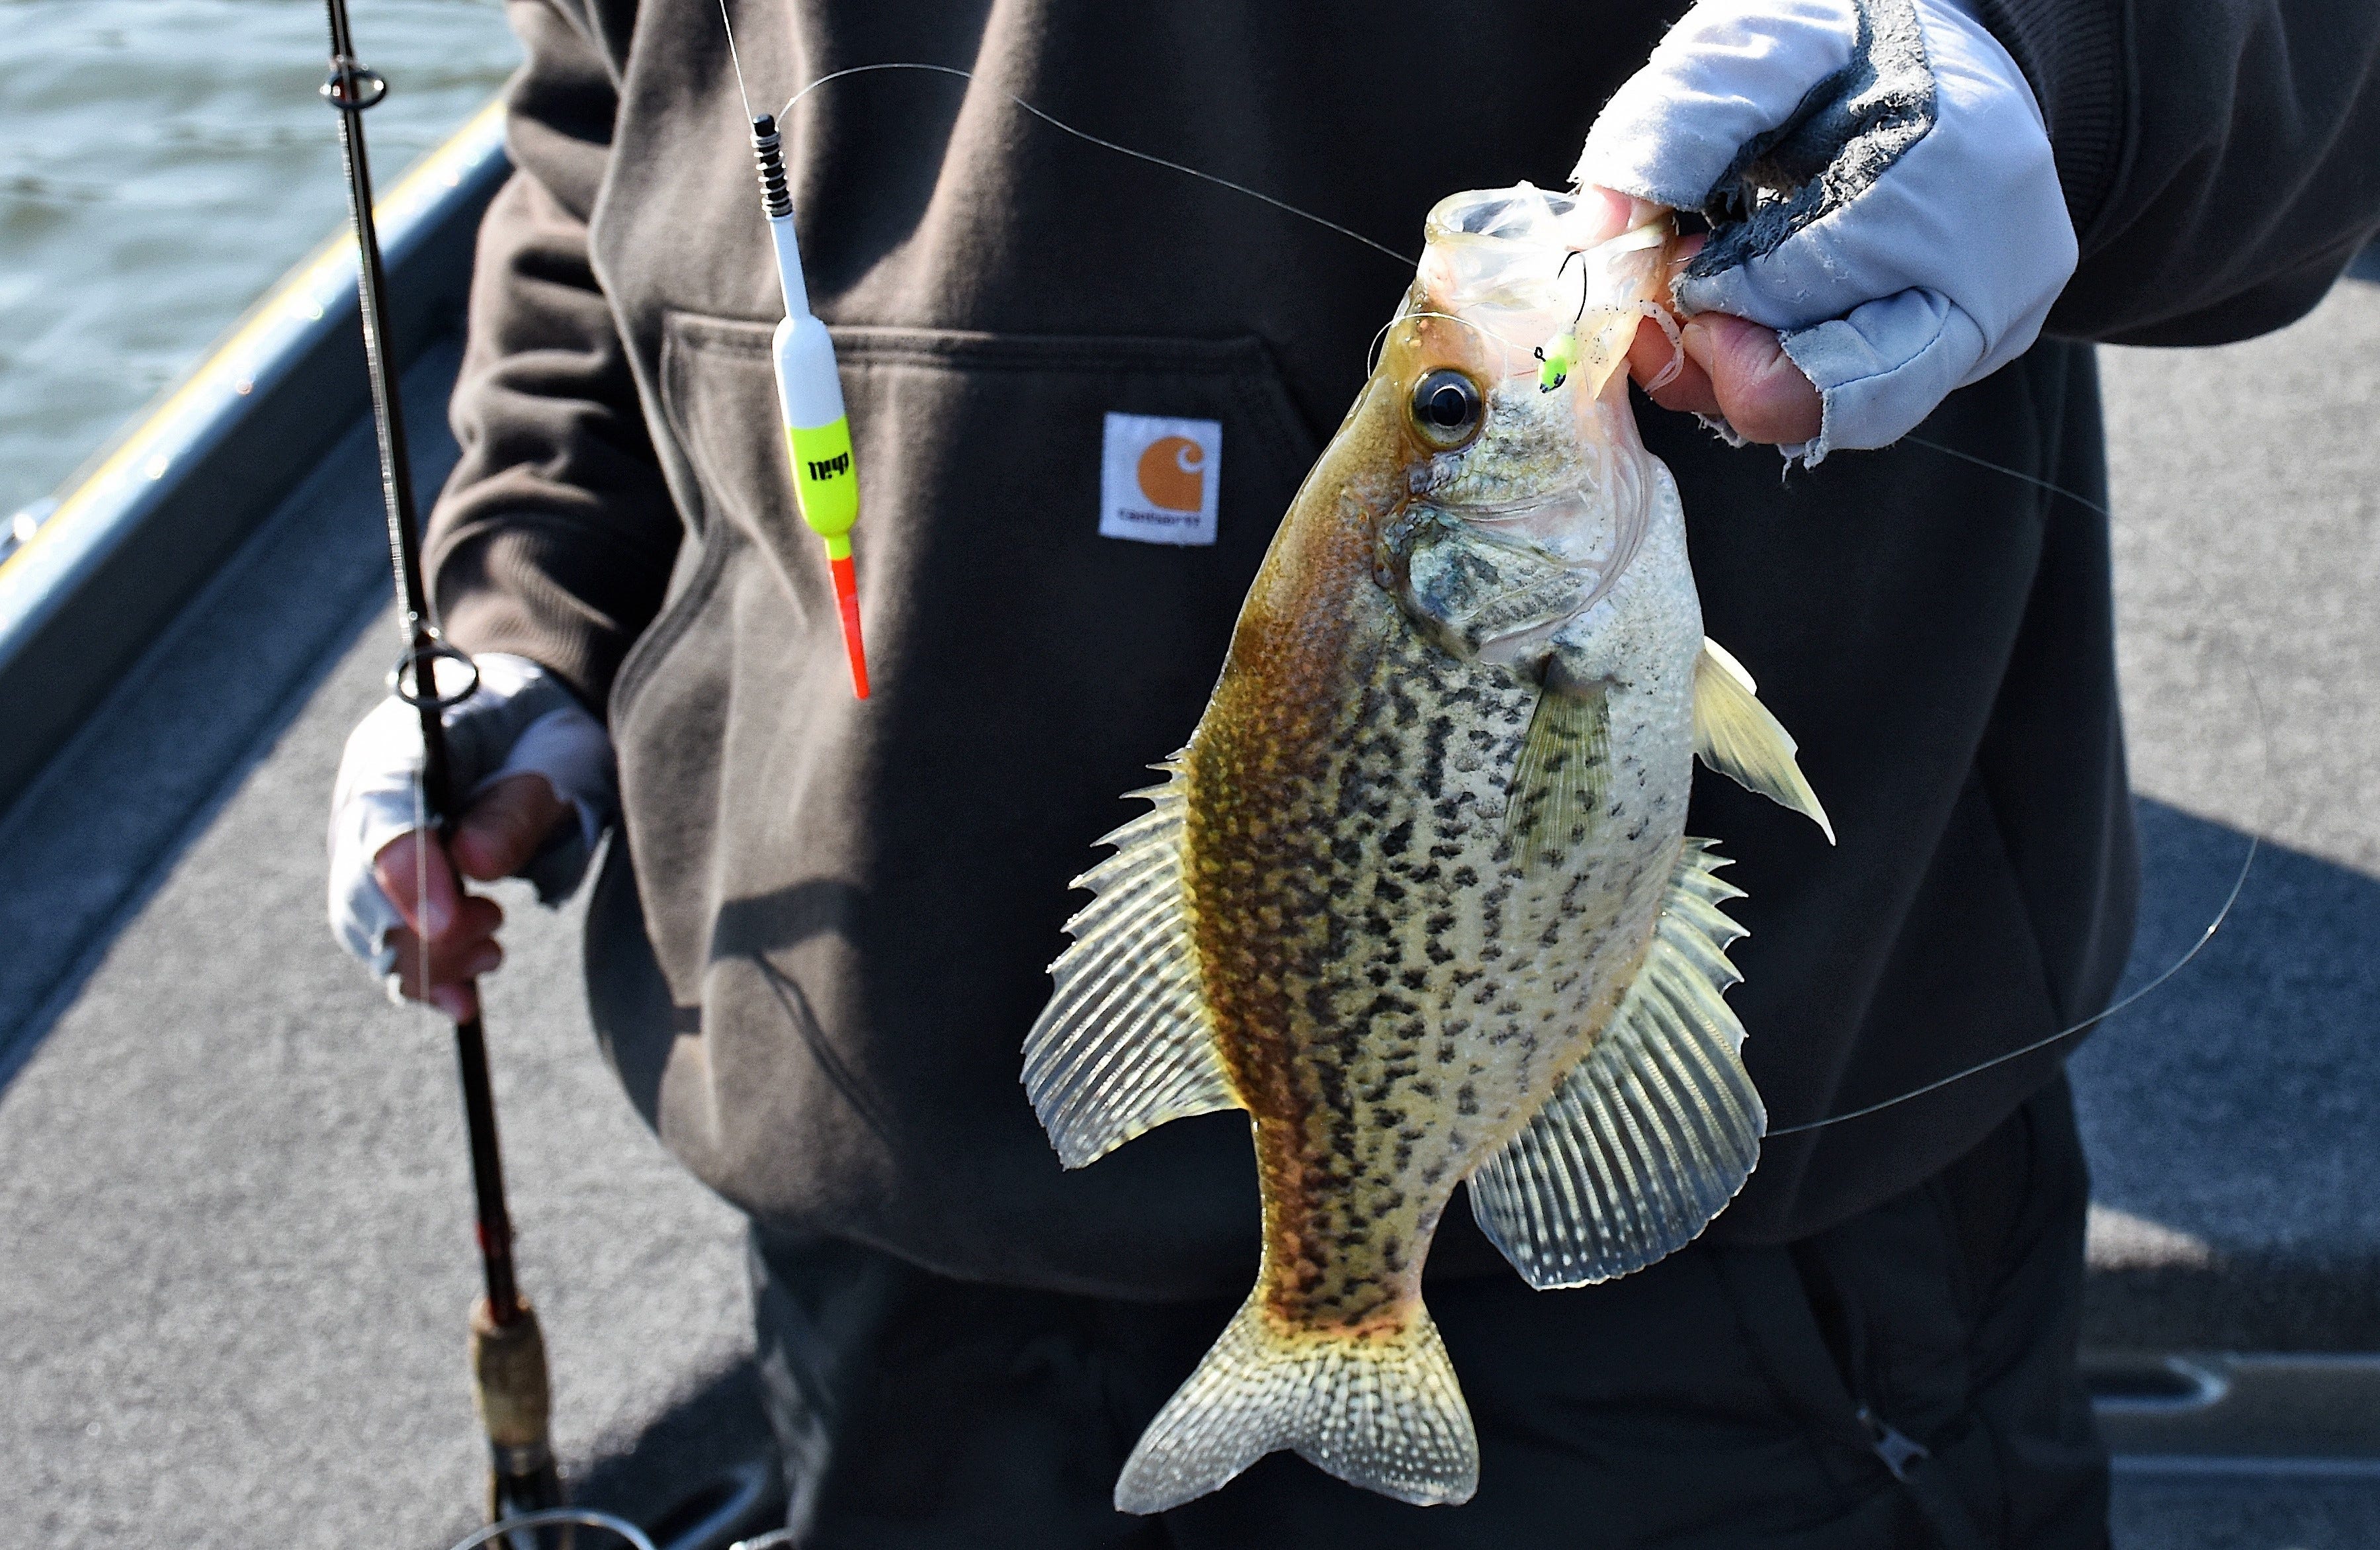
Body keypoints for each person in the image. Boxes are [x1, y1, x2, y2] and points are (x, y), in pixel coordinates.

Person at [326, 1, 2380, 1543]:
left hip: (1726, 1294)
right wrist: (524, 589)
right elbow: (626, 111)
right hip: (890, 1183)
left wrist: (2050, 71)